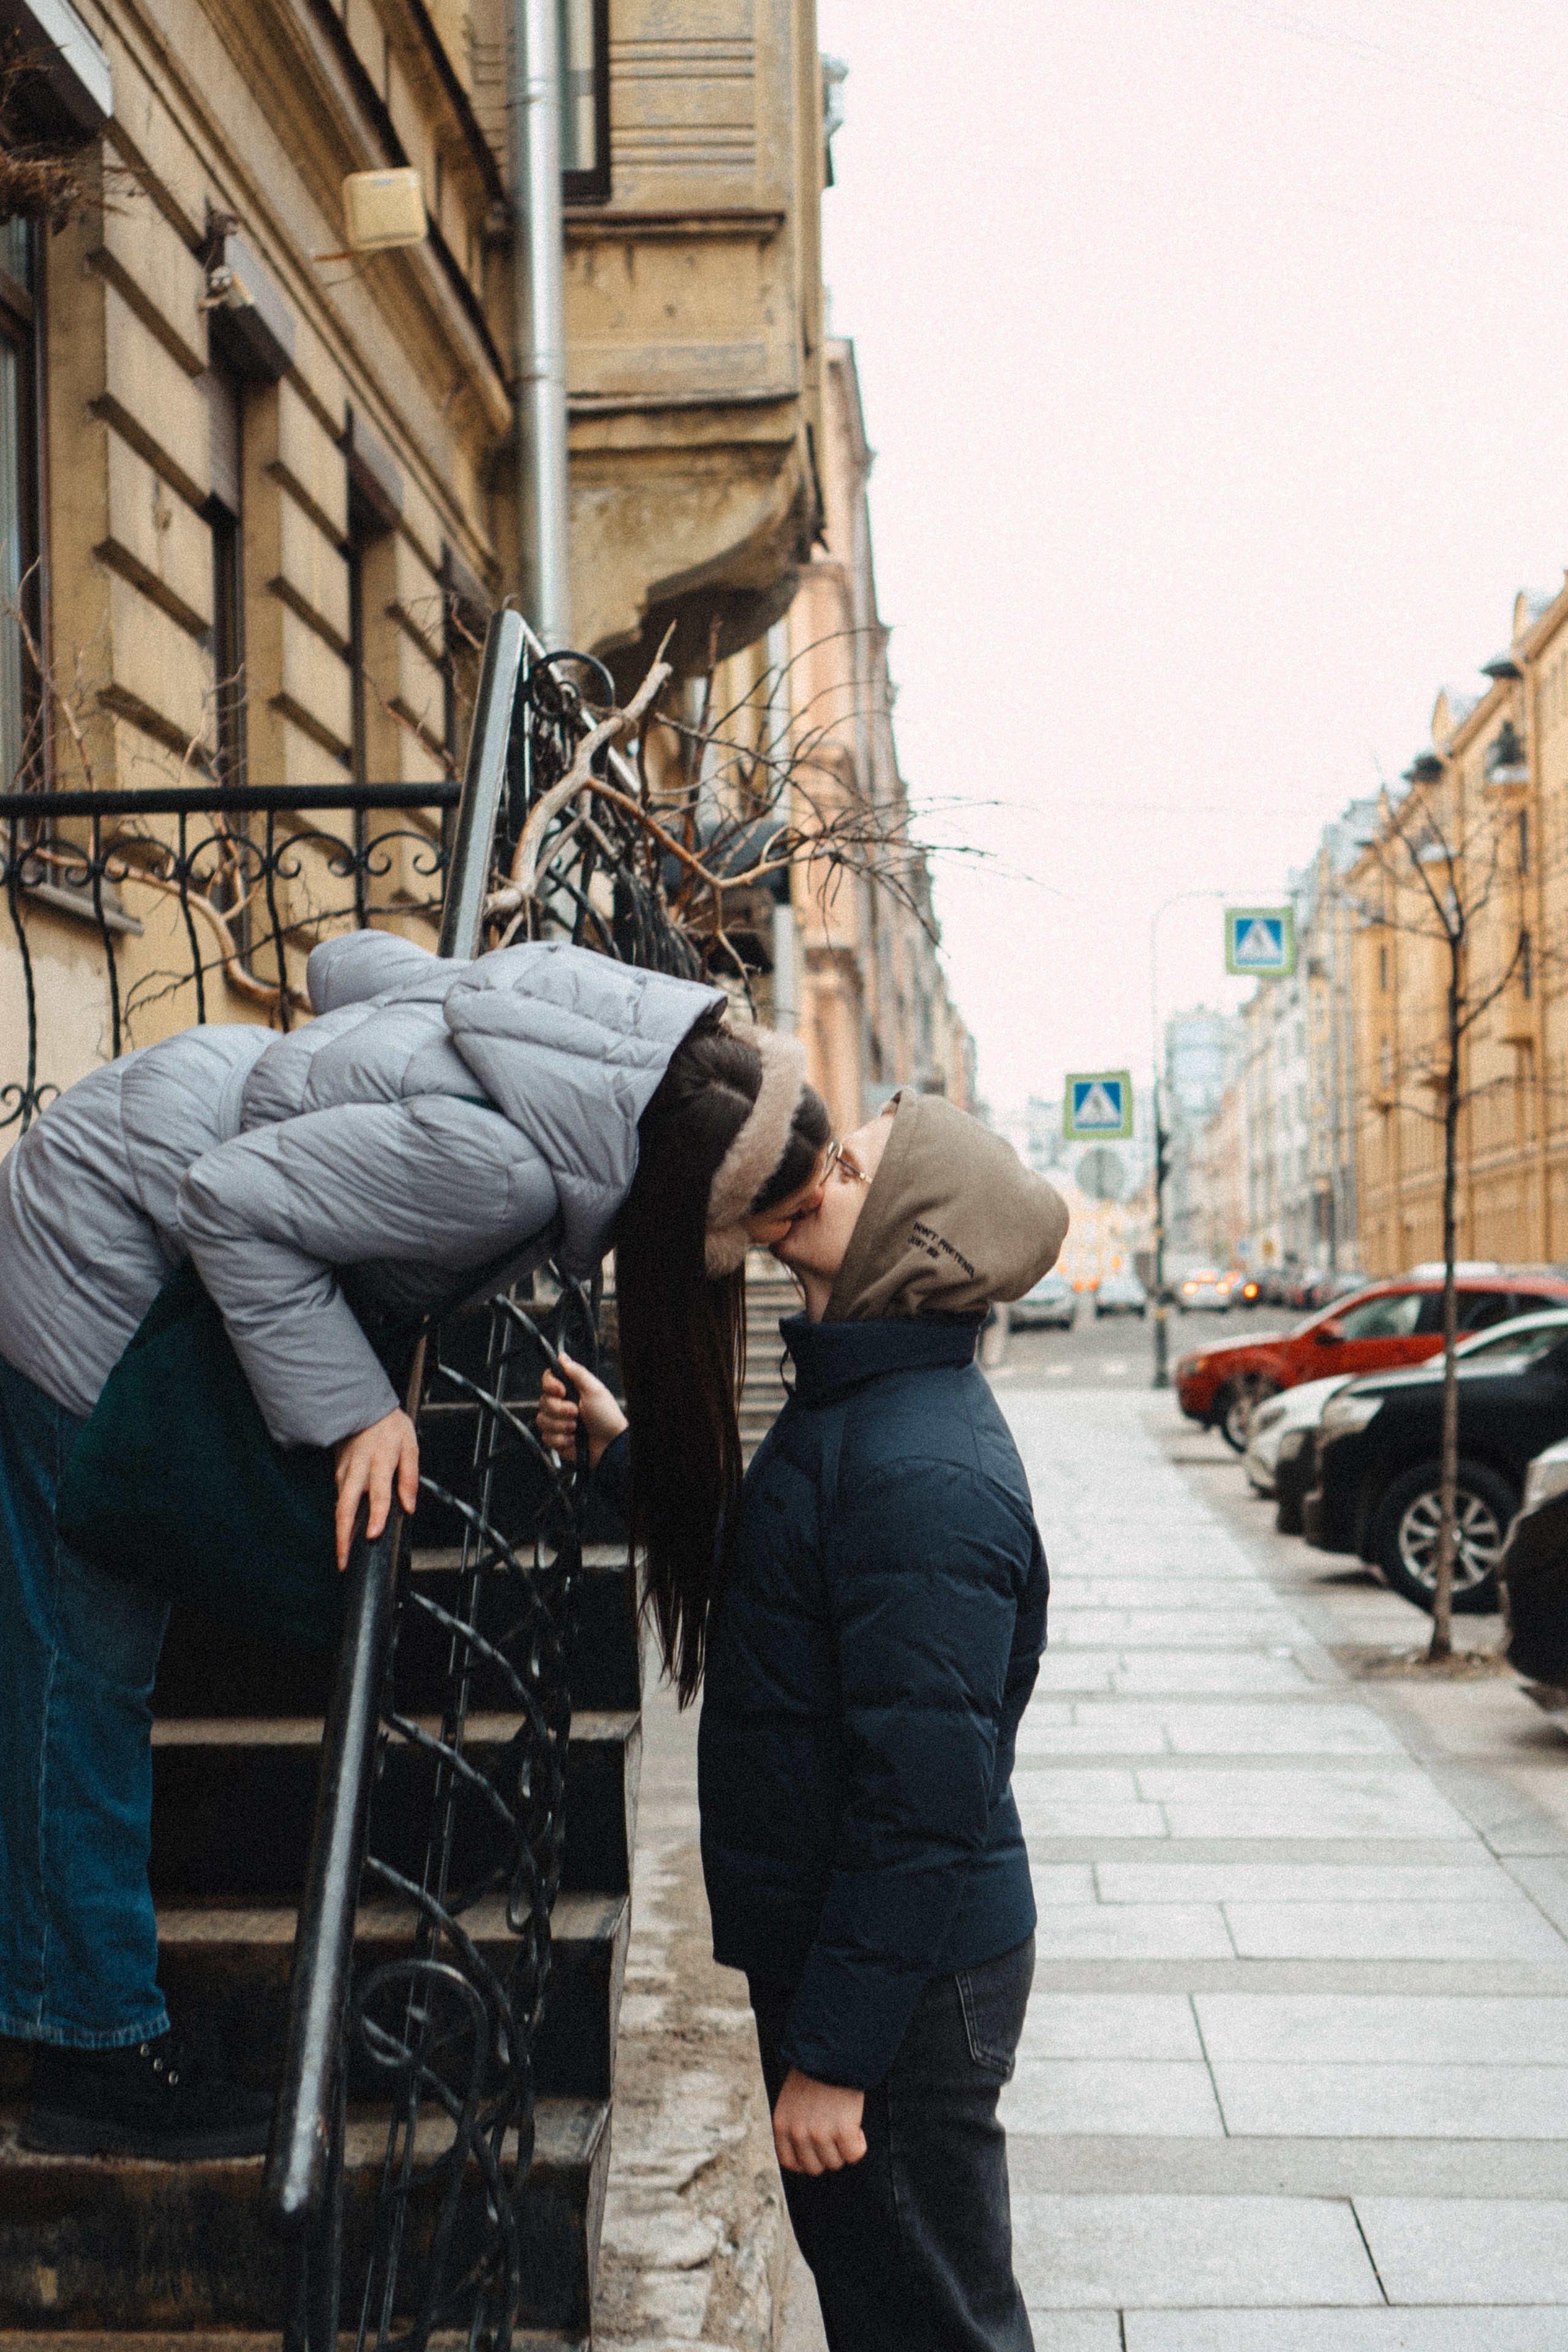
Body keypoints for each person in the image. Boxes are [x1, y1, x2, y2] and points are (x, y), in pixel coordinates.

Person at [0, 930, 829, 2160]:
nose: (772, 1250)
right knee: (87, 1665)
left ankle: (64, 1994)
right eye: (769, 1230)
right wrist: (357, 1409)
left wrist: (349, 1105)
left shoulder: (566, 1017)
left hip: (135, 1130)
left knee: (90, 1649)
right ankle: (88, 2042)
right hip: (96, 1245)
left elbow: (344, 965)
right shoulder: (502, 1175)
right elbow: (226, 1201)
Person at [541, 1090, 1068, 2351]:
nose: (810, 1171)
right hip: (867, 1956)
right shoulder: (855, 1415)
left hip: (902, 1988)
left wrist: (835, 2057)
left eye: (845, 1167)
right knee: (886, 2307)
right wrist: (622, 1457)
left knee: (929, 2322)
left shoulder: (917, 1470)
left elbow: (924, 1793)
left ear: (907, 1236)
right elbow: (781, 1580)